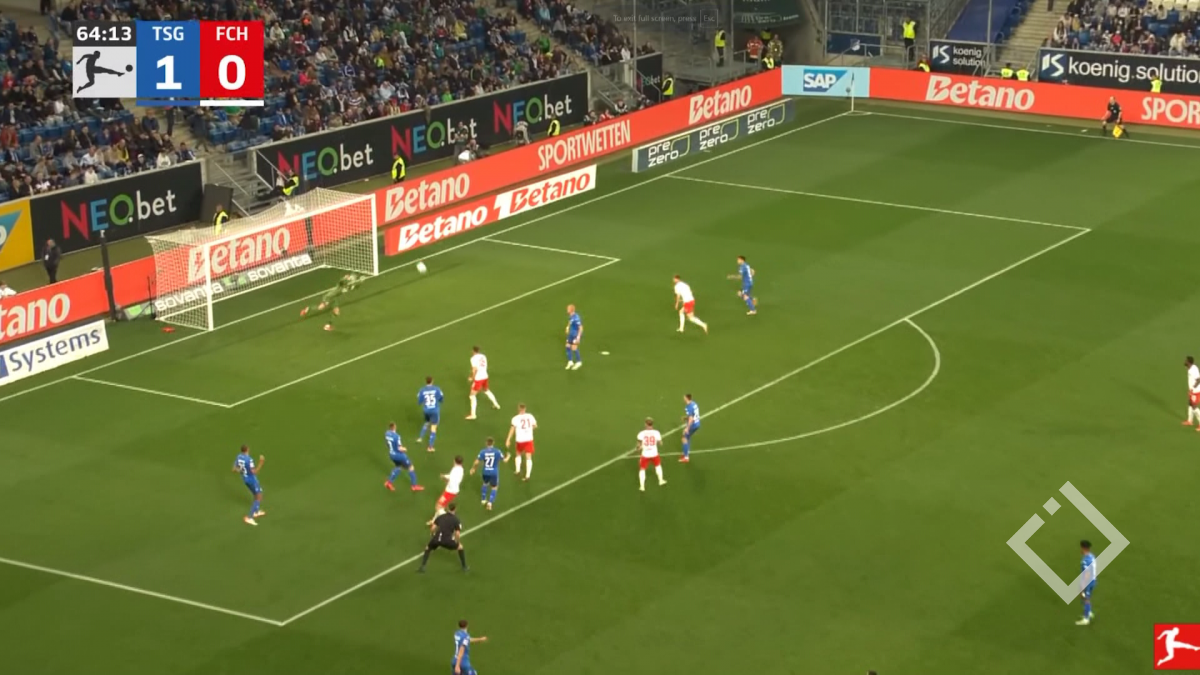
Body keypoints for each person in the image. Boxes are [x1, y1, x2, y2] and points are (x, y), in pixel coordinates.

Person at [299, 273, 367, 331]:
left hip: (334, 299)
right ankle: (307, 309)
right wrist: (345, 278)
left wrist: (361, 281)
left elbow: (356, 286)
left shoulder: (351, 285)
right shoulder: (343, 283)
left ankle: (327, 326)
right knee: (320, 308)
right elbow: (341, 281)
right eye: (352, 278)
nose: (352, 279)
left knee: (336, 312)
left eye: (354, 278)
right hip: (329, 297)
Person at [419, 503, 468, 573]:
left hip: (436, 539)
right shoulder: (456, 520)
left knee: (428, 548)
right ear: (455, 509)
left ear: (447, 509)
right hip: (447, 540)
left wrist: (433, 535)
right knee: (460, 547)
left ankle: (422, 566)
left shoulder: (441, 517)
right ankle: (464, 567)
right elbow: (457, 534)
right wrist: (457, 541)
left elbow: (432, 528)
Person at [231, 445, 266, 526]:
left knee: (256, 495)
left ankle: (256, 512)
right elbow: (254, 472)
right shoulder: (249, 460)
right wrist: (261, 463)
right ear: (247, 450)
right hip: (252, 480)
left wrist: (242, 471)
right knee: (259, 497)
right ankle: (250, 517)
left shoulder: (238, 457)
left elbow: (234, 469)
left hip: (245, 479)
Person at [384, 422, 424, 492]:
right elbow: (400, 448)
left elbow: (387, 444)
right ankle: (414, 486)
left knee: (399, 467)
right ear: (394, 427)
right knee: (411, 467)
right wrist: (404, 449)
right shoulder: (397, 436)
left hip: (391, 454)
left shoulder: (387, 433)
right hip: (399, 455)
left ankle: (389, 482)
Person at [470, 437, 508, 510]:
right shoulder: (497, 451)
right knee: (494, 487)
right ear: (493, 443)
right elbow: (505, 460)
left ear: (486, 443)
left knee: (485, 484)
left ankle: (483, 499)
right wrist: (508, 456)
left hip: (485, 472)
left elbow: (476, 462)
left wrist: (473, 468)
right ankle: (490, 503)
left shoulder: (483, 452)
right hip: (494, 473)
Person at [465, 346, 500, 419]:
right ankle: (496, 404)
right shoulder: (483, 356)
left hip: (479, 378)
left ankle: (473, 415)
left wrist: (472, 378)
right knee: (486, 390)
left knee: (472, 395)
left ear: (473, 351)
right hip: (485, 376)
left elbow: (474, 369)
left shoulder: (473, 358)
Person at [505, 403, 538, 481]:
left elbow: (512, 429)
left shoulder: (515, 418)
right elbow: (535, 426)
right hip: (529, 439)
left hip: (520, 439)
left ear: (519, 409)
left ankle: (517, 470)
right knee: (528, 457)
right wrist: (528, 430)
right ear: (525, 409)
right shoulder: (530, 416)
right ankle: (527, 476)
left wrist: (508, 439)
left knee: (518, 454)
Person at [430, 455, 466, 523]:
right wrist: (445, 476)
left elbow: (450, 479)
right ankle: (434, 520)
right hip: (453, 490)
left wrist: (443, 477)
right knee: (441, 506)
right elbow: (452, 477)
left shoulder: (455, 470)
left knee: (438, 506)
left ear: (454, 461)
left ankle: (449, 519)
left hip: (450, 491)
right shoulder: (461, 469)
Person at [637, 418, 666, 491]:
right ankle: (661, 480)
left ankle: (642, 486)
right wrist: (658, 442)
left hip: (645, 454)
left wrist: (639, 447)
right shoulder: (656, 432)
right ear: (652, 424)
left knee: (642, 469)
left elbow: (638, 445)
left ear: (645, 424)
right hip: (654, 453)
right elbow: (660, 443)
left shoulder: (641, 433)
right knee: (658, 466)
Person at [417, 376, 445, 452]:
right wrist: (440, 400)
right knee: (433, 427)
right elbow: (441, 398)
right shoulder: (436, 389)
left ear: (426, 381)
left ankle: (420, 438)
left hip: (426, 410)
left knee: (427, 422)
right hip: (434, 410)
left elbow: (419, 401)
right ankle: (430, 447)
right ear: (432, 381)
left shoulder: (422, 390)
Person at [1076, 540, 1096, 625]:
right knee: (1085, 596)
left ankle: (1086, 619)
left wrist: (1082, 586)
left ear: (1083, 548)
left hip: (1088, 582)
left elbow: (1087, 574)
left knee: (1086, 598)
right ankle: (1089, 612)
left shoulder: (1085, 560)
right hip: (1093, 580)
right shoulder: (1092, 556)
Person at [680, 394, 701, 463]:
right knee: (688, 436)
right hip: (697, 423)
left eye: (684, 397)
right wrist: (685, 418)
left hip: (693, 424)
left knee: (684, 438)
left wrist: (687, 428)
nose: (683, 399)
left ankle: (686, 457)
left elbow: (691, 419)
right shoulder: (694, 404)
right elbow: (693, 415)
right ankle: (687, 451)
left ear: (687, 398)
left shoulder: (689, 407)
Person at [564, 303, 583, 369]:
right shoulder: (571, 316)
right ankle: (570, 361)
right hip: (571, 334)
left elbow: (581, 328)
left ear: (571, 310)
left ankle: (579, 362)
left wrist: (578, 337)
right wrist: (567, 327)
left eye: (568, 309)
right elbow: (570, 321)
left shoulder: (576, 318)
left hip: (575, 335)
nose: (567, 309)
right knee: (567, 346)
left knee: (574, 348)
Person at [1183, 356, 1200, 427]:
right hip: (1192, 390)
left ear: (1189, 362)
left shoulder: (1193, 370)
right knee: (1190, 403)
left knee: (1194, 406)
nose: (1184, 361)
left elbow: (1198, 380)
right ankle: (1190, 421)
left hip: (1195, 391)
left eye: (1186, 360)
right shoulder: (1191, 368)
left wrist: (1192, 389)